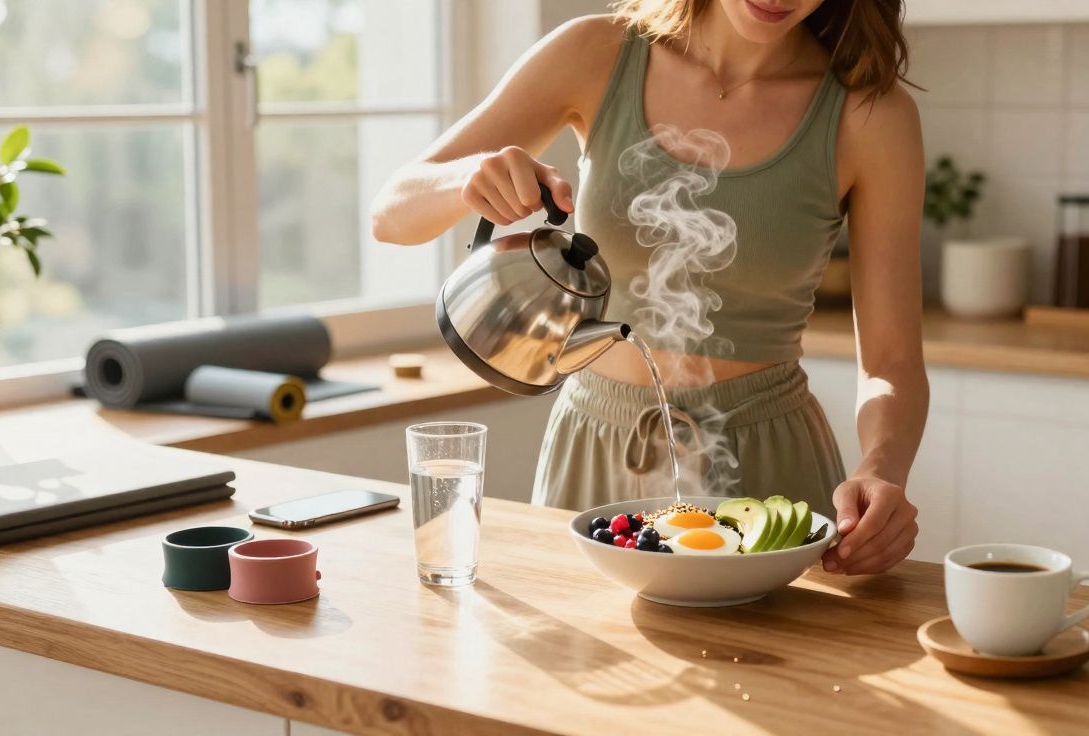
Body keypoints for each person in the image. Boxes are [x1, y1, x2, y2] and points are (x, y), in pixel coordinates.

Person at [371, 0, 928, 576]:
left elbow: (891, 360)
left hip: (768, 467)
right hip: (594, 447)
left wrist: (881, 469)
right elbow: (390, 215)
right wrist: (467, 177)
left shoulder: (871, 116)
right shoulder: (597, 52)